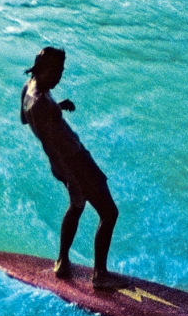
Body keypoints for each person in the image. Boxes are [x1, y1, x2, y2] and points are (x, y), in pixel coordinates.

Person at [20, 47, 120, 288]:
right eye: (56, 71)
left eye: (62, 71)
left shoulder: (29, 88)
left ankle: (62, 261)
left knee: (76, 205)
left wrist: (56, 108)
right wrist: (73, 178)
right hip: (74, 162)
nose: (60, 77)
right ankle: (100, 275)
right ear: (43, 70)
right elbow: (52, 144)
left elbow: (26, 118)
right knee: (109, 213)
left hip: (63, 164)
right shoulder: (42, 104)